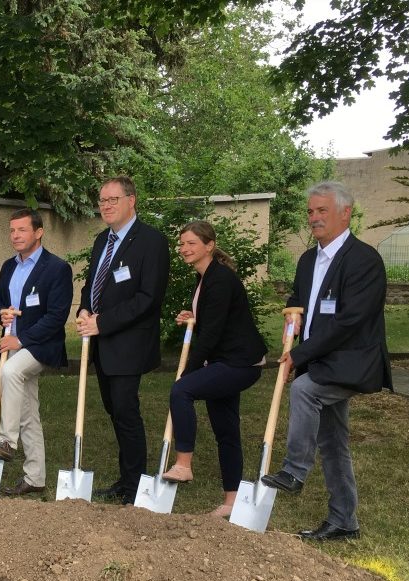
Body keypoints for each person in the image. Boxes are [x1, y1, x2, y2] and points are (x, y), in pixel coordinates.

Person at [261, 181, 391, 541]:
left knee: (304, 390)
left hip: (351, 361)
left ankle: (294, 470)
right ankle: (344, 520)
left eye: (322, 211)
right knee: (333, 443)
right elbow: (299, 296)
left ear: (345, 213)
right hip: (321, 359)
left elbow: (349, 322)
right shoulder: (308, 259)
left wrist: (297, 356)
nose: (314, 218)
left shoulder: (364, 260)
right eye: (311, 211)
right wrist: (293, 311)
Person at [160, 221, 267, 518]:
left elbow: (211, 335)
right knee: (226, 430)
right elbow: (212, 317)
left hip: (240, 362)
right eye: (182, 244)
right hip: (227, 360)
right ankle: (232, 502)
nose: (184, 249)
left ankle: (183, 464)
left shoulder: (219, 279)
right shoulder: (206, 277)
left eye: (191, 243)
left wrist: (189, 371)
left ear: (209, 245)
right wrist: (192, 315)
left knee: (181, 390)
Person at [76, 176, 169, 505]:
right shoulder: (103, 240)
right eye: (102, 201)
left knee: (127, 412)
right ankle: (126, 477)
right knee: (114, 411)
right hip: (102, 343)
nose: (106, 206)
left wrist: (102, 322)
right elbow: (93, 285)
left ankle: (135, 485)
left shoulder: (151, 242)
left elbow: (148, 297)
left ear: (132, 201)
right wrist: (85, 309)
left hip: (129, 343)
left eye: (113, 199)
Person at [0, 208, 73, 496]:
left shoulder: (57, 268)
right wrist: (0, 313)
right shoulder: (8, 266)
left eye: (21, 230)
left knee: (10, 371)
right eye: (12, 230)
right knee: (27, 412)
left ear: (38, 232)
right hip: (13, 342)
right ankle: (35, 477)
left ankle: (6, 441)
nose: (15, 236)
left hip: (41, 345)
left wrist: (21, 339)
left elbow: (57, 316)